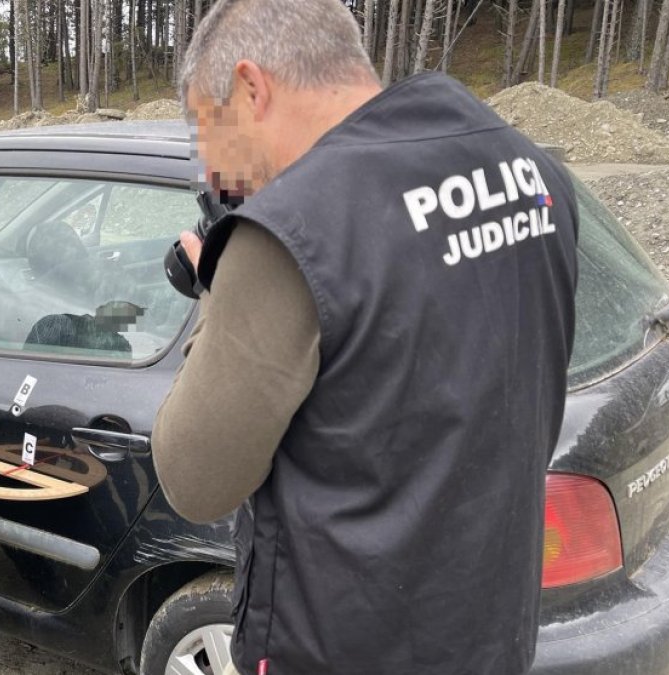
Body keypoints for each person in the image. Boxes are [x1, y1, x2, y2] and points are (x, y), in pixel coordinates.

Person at [151, 1, 580, 674]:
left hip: (341, 644)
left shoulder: (289, 233)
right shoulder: (530, 171)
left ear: (251, 88)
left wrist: (221, 283)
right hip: (491, 633)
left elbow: (194, 478)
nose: (213, 173)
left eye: (210, 128)